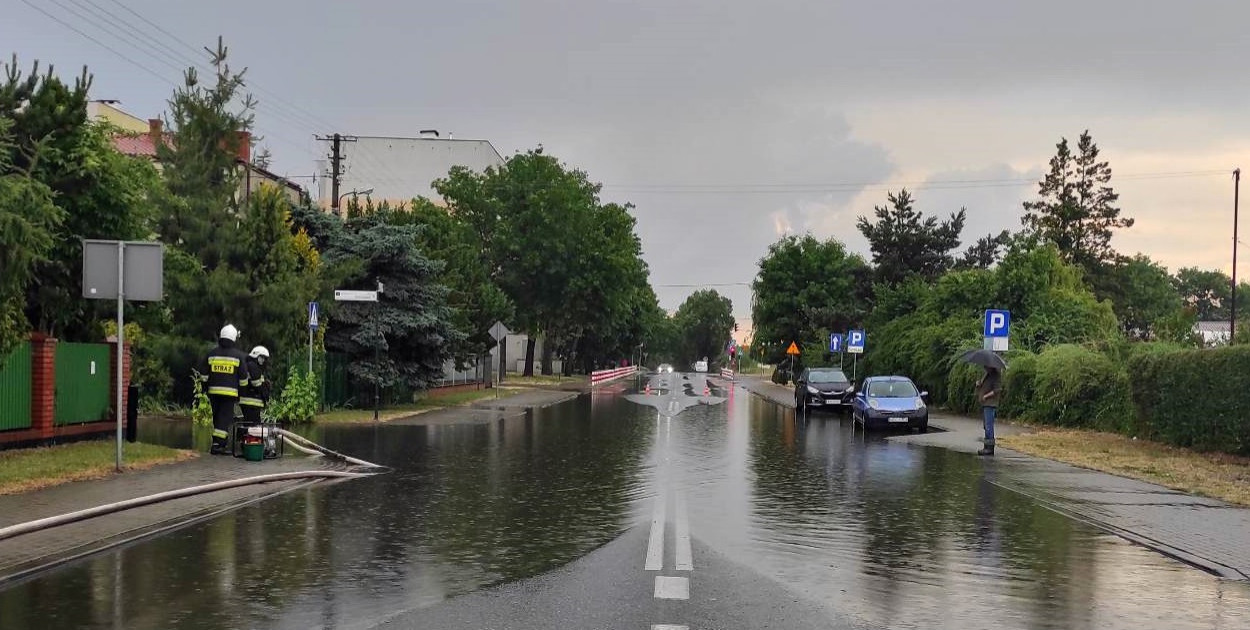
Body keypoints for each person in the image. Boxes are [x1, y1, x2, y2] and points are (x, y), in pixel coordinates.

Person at [200, 324, 250, 455]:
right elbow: (243, 378)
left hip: (213, 392)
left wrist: (205, 388)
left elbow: (204, 374)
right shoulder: (238, 356)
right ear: (233, 338)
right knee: (224, 418)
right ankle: (218, 445)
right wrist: (242, 393)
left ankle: (218, 442)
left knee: (217, 417)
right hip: (230, 394)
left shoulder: (211, 354)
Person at [239, 346, 271, 424]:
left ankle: (244, 435)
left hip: (248, 402)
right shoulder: (253, 366)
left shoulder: (249, 365)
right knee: (253, 425)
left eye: (264, 358)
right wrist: (266, 388)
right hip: (251, 403)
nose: (263, 360)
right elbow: (257, 385)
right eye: (262, 357)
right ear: (256, 356)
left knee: (248, 424)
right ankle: (248, 436)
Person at [976, 366, 1002, 456]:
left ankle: (989, 448)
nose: (984, 367)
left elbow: (997, 390)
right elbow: (984, 386)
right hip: (985, 403)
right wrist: (979, 384)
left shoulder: (996, 375)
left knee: (989, 426)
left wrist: (986, 396)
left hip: (990, 404)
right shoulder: (987, 374)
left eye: (986, 366)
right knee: (986, 426)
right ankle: (986, 446)